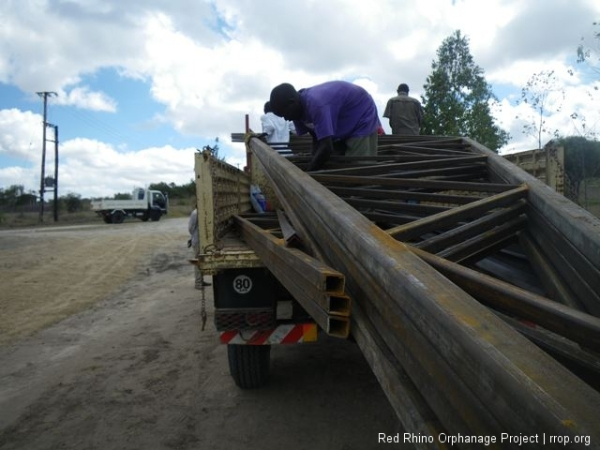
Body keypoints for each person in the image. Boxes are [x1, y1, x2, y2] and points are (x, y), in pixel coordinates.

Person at [269, 81, 381, 171]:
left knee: (359, 166)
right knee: (334, 160)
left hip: (361, 111)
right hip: (342, 117)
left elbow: (327, 146)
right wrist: (313, 159)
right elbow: (316, 138)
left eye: (284, 114)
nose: (286, 119)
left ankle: (363, 193)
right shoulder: (297, 112)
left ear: (292, 102)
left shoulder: (317, 104)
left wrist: (309, 171)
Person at [188, 207, 211, 288]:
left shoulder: (202, 211)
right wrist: (194, 236)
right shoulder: (195, 213)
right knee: (198, 261)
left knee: (201, 261)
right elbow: (190, 228)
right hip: (197, 240)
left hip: (202, 241)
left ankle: (201, 280)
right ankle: (198, 283)